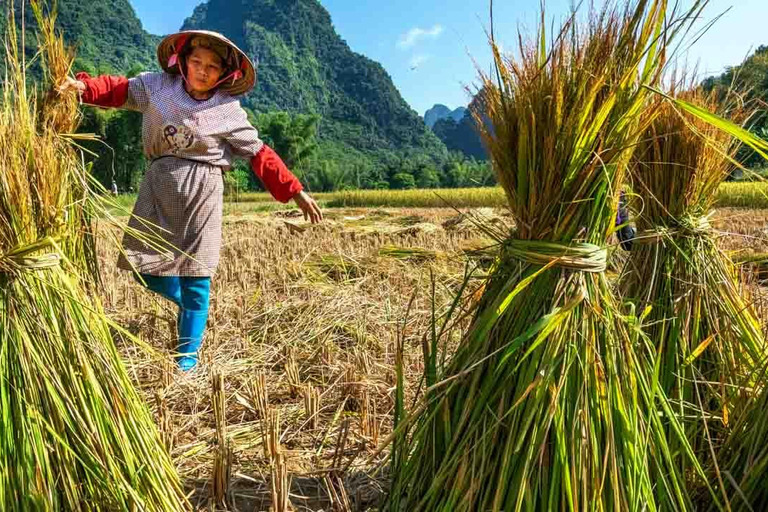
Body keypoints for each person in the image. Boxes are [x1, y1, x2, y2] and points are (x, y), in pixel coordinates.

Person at [58, 30, 323, 371]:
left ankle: (187, 354)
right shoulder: (156, 87)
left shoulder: (228, 110)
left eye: (212, 67)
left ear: (226, 74)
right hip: (158, 186)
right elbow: (118, 89)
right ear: (182, 61)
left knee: (197, 274)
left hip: (203, 192)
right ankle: (190, 309)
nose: (203, 70)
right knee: (143, 269)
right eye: (196, 61)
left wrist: (294, 191)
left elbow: (259, 154)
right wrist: (83, 88)